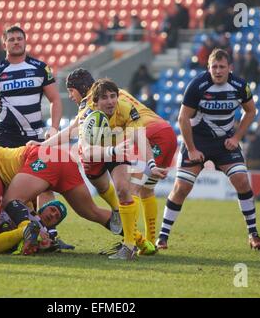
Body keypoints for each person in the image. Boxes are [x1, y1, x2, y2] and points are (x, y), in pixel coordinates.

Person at [35, 71, 177, 259]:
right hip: (99, 154)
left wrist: (150, 163)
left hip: (119, 148)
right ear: (97, 99)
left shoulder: (124, 107)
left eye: (112, 97)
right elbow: (82, 145)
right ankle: (121, 215)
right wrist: (44, 145)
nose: (110, 101)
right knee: (112, 189)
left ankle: (130, 244)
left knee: (125, 190)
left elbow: (139, 136)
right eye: (105, 98)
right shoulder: (89, 112)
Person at [156, 48, 260, 251]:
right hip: (197, 142)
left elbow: (251, 111)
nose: (217, 71)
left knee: (242, 181)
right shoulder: (198, 85)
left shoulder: (240, 85)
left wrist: (236, 137)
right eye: (214, 66)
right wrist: (191, 149)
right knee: (182, 188)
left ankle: (253, 234)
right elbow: (183, 118)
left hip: (225, 143)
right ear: (208, 68)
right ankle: (162, 237)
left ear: (229, 68)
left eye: (222, 67)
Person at [0, 25, 63, 148]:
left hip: (36, 136)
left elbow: (55, 99)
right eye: (11, 40)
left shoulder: (41, 68)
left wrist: (54, 128)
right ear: (4, 45)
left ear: (25, 42)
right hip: (5, 137)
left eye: (19, 39)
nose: (16, 42)